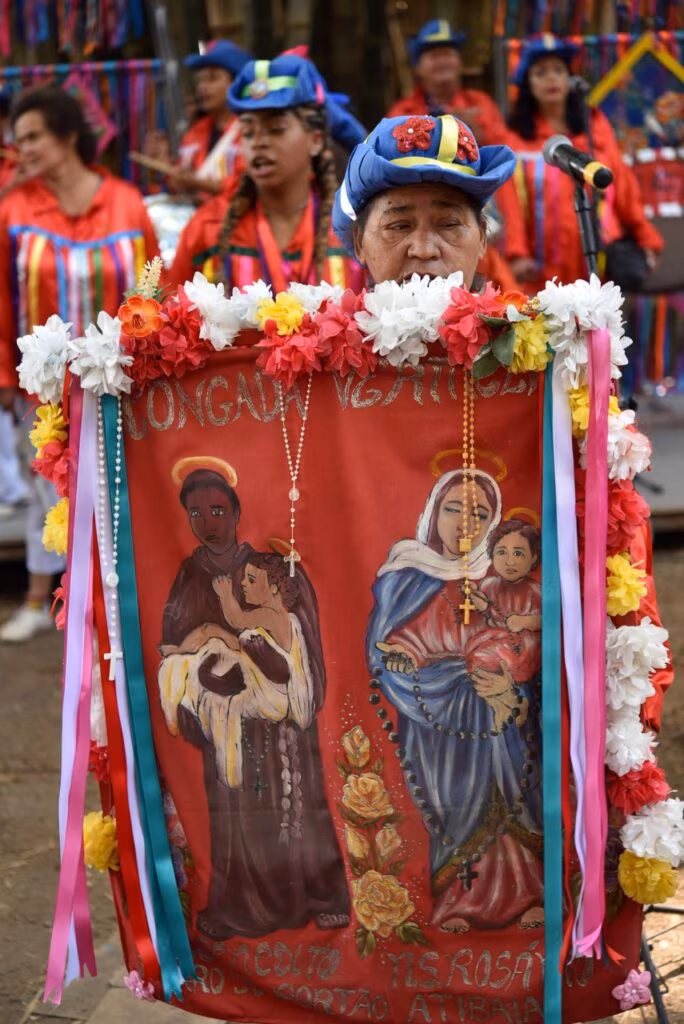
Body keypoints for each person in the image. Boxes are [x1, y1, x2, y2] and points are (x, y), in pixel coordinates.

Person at [159, 458, 350, 939]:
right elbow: (176, 639)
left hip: (277, 719)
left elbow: (300, 637)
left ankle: (319, 895)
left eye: (218, 510)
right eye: (196, 513)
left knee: (295, 806)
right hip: (225, 718)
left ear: (237, 511)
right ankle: (237, 908)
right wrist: (200, 679)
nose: (209, 523)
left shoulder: (268, 568)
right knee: (234, 816)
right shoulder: (188, 574)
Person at [0, 85, 159, 643]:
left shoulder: (124, 201)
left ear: (68, 134)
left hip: (121, 380)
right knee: (47, 490)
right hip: (42, 388)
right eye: (17, 141)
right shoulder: (14, 210)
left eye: (34, 136)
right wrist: (4, 374)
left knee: (122, 487)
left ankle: (123, 599)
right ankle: (42, 599)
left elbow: (152, 288)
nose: (22, 149)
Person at [170, 54, 363, 292]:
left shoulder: (354, 228)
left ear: (315, 140)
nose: (258, 142)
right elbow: (170, 316)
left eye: (276, 129)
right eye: (248, 132)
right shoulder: (208, 226)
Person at [498, 34, 664, 293]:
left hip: (597, 262)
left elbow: (621, 186)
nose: (551, 78)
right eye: (541, 72)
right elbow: (510, 205)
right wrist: (516, 254)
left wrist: (646, 237)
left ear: (570, 79)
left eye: (558, 70)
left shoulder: (594, 127)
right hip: (541, 271)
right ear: (528, 84)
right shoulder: (516, 139)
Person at [146, 39, 251, 201]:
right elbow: (181, 186)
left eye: (213, 78)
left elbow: (249, 188)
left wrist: (199, 184)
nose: (203, 87)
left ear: (237, 84)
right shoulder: (196, 132)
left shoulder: (250, 130)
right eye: (200, 80)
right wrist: (163, 162)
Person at [387, 19, 508, 145]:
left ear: (461, 63)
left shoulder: (480, 104)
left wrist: (474, 133)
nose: (442, 61)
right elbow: (388, 151)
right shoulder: (403, 111)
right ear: (418, 68)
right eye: (434, 55)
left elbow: (505, 152)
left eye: (447, 54)